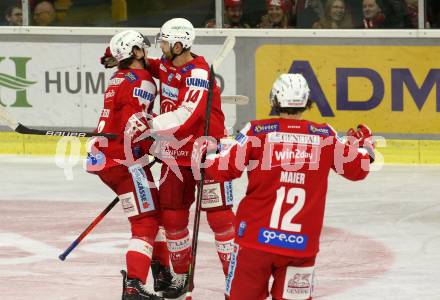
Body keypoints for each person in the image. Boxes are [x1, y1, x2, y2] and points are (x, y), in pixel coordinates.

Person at [204, 73, 375, 300]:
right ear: (306, 102)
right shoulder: (325, 135)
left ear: (274, 100)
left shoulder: (257, 131)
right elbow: (358, 169)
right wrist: (364, 148)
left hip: (255, 242)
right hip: (301, 246)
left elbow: (221, 169)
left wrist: (206, 154)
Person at [143, 18, 236, 299]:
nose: (161, 46)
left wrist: (149, 123)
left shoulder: (198, 73)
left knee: (221, 220)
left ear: (180, 44)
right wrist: (123, 51)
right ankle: (181, 281)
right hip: (174, 154)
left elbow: (186, 114)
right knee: (172, 218)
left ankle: (236, 282)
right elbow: (143, 63)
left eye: (165, 42)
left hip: (207, 153)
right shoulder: (166, 65)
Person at [88, 30, 163, 300]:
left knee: (155, 212)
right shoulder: (142, 80)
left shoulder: (118, 76)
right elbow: (136, 123)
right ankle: (134, 285)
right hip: (124, 161)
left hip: (106, 158)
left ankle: (161, 270)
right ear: (136, 52)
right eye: (143, 47)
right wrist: (158, 146)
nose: (148, 51)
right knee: (146, 221)